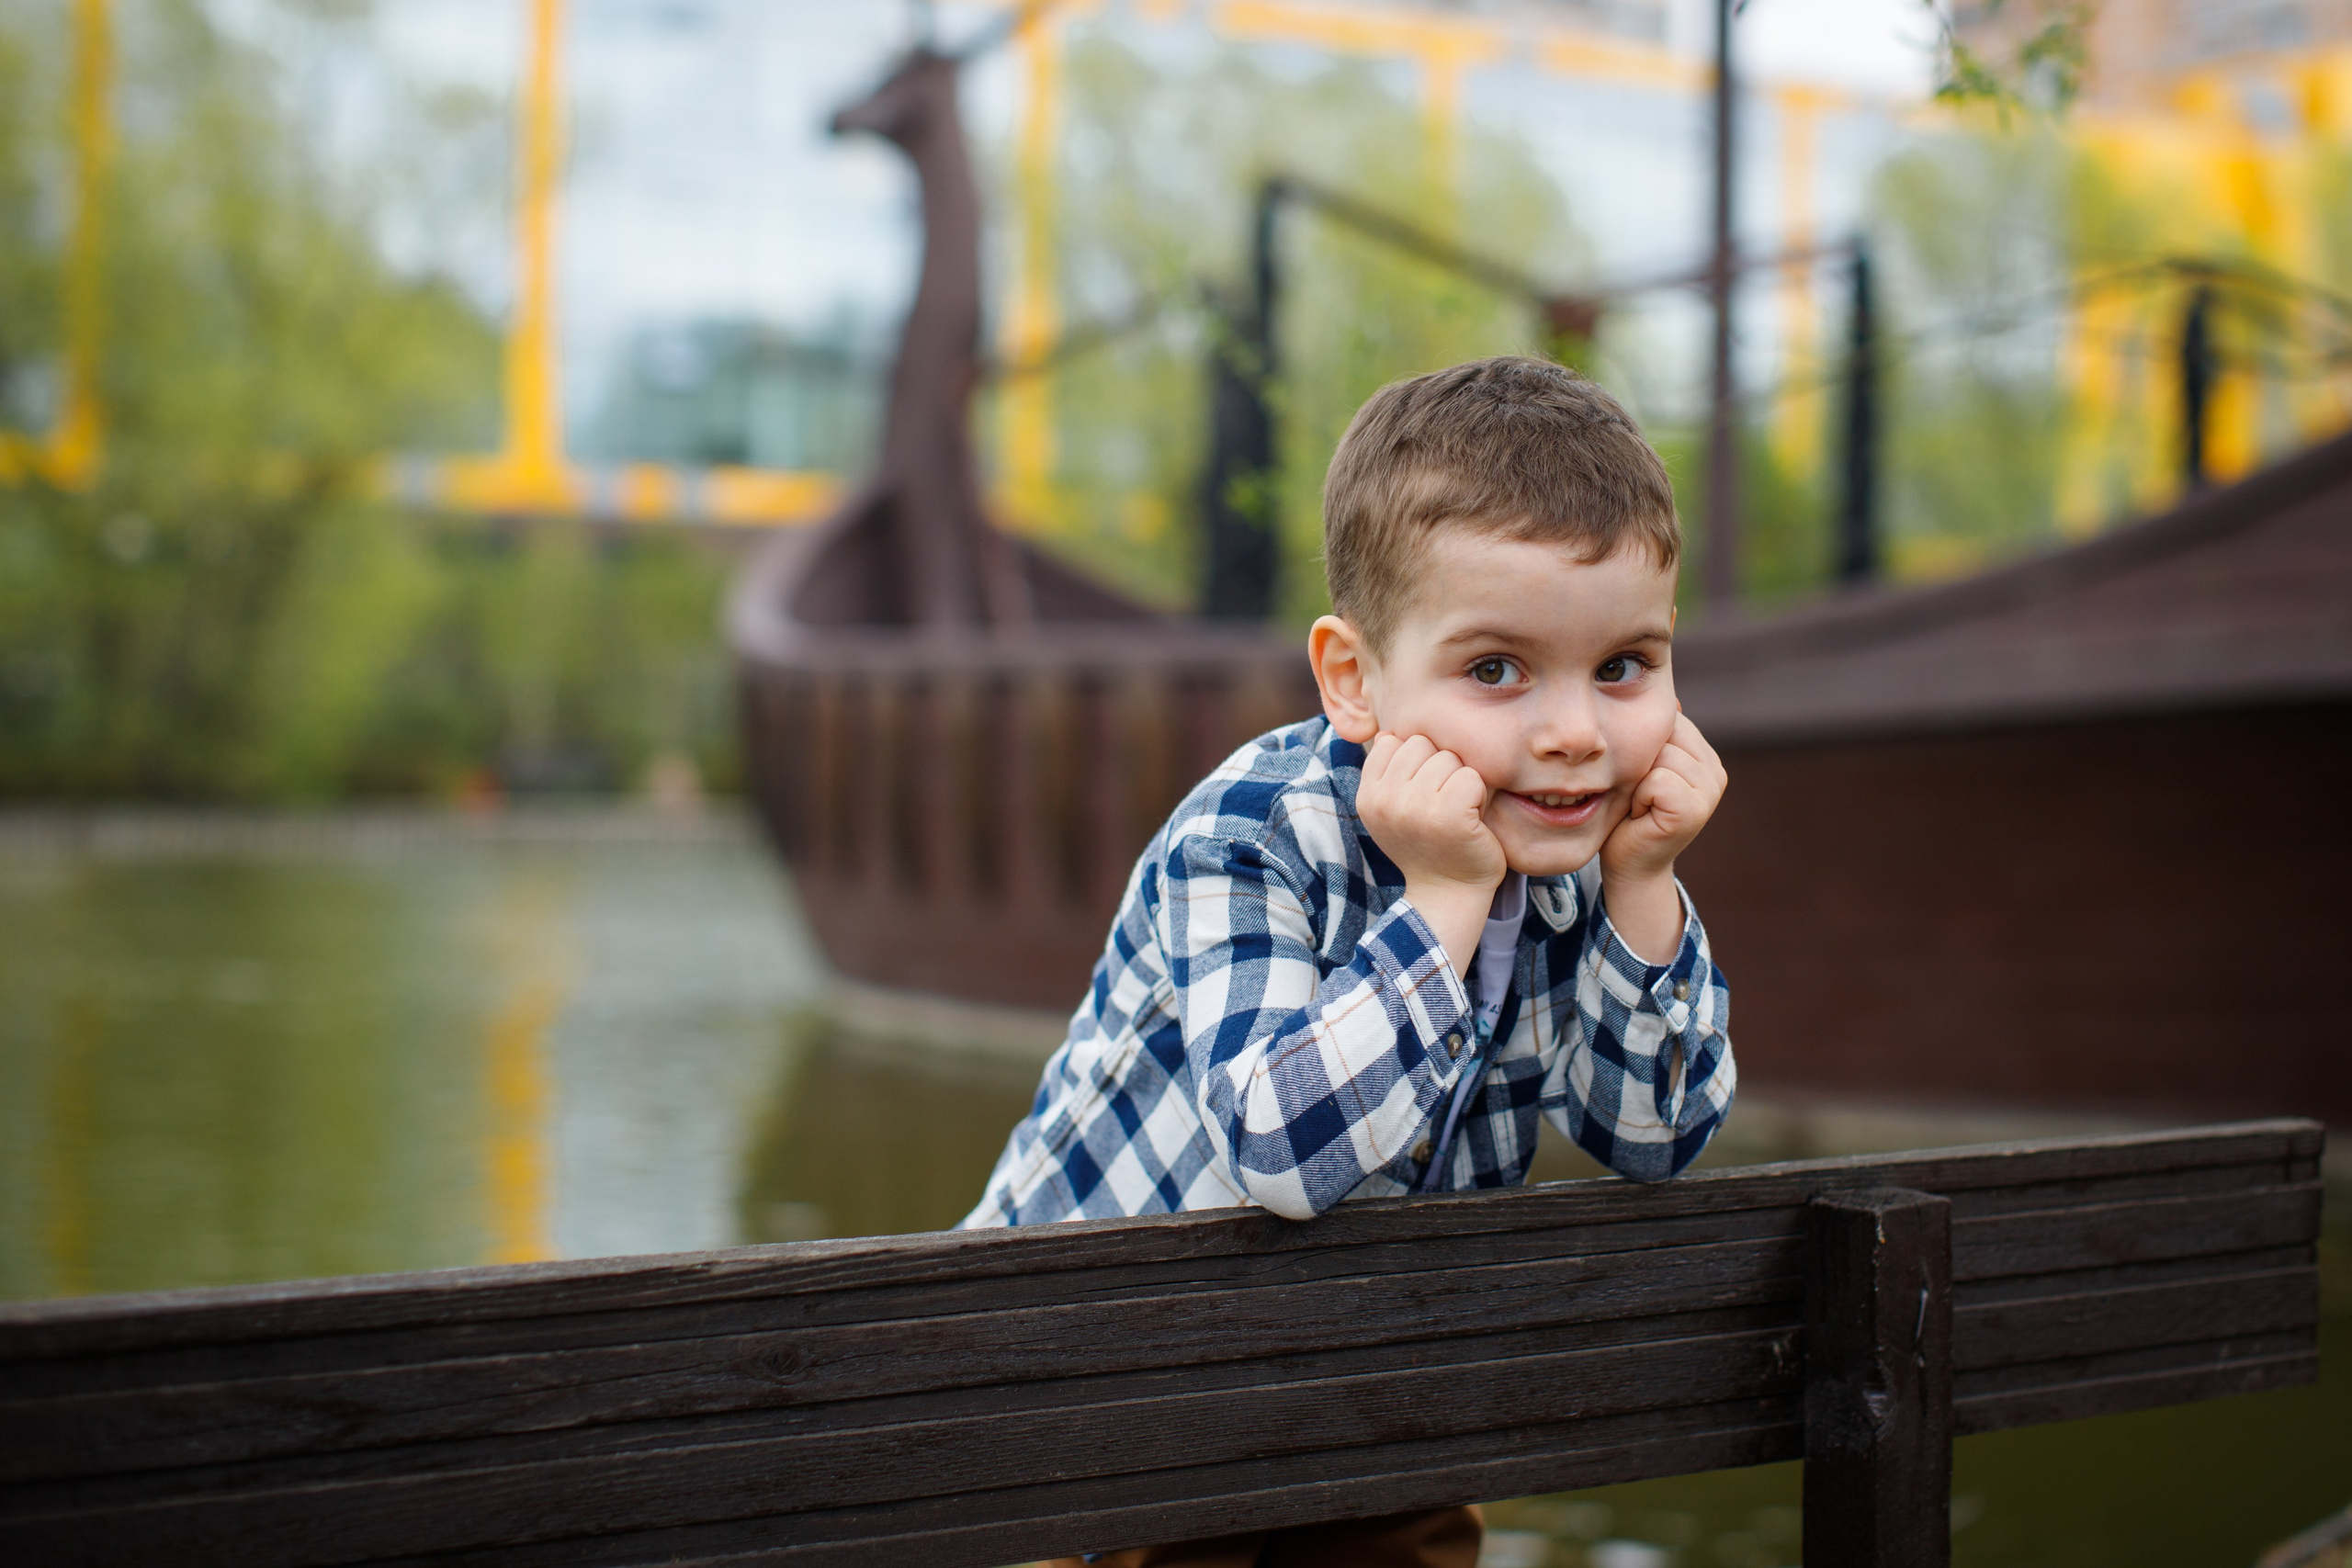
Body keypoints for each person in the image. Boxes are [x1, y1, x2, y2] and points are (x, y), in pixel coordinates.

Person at [965, 355, 1736, 1568]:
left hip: (1368, 1394)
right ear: (1354, 679)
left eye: (1625, 667)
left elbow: (1653, 1137)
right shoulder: (1251, 837)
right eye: (1496, 670)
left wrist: (1646, 887)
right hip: (1099, 1411)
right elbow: (1279, 1149)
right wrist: (1443, 898)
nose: (1578, 734)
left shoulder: (1581, 843)